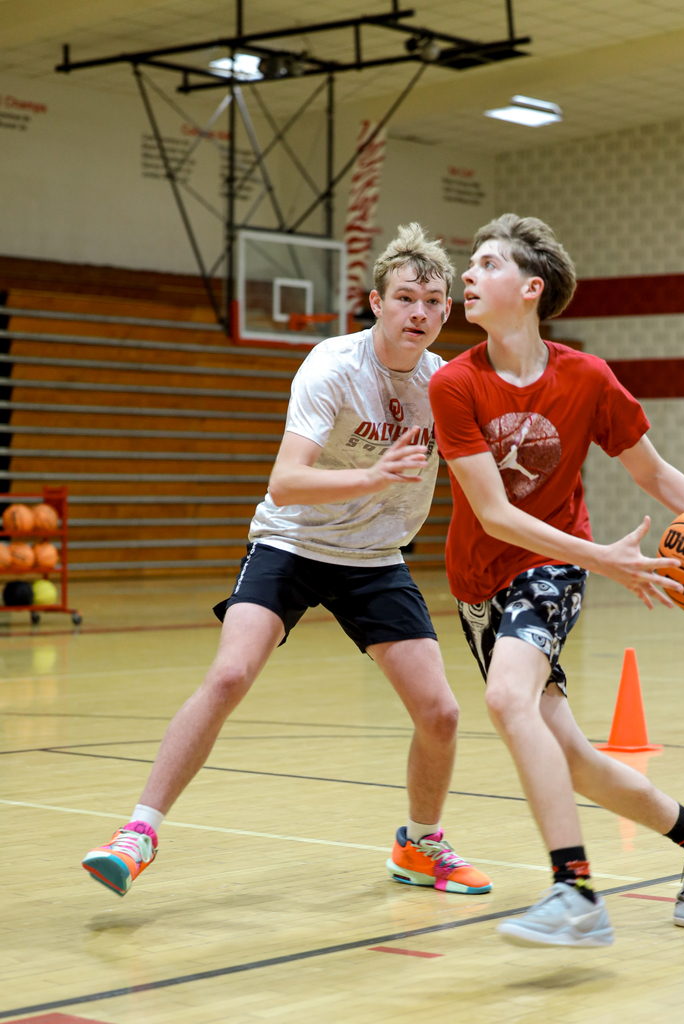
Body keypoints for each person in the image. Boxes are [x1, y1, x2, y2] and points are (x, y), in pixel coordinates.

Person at [82, 224, 491, 899]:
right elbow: (285, 482)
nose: (418, 313)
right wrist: (373, 476)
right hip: (292, 543)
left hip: (374, 557)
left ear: (446, 310)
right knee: (229, 674)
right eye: (404, 298)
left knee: (441, 713)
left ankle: (420, 845)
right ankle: (137, 835)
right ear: (376, 302)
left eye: (431, 302)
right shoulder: (333, 365)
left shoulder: (445, 384)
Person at [428, 213, 684, 948]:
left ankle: (574, 893)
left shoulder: (586, 377)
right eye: (470, 264)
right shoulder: (455, 384)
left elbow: (654, 473)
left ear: (530, 288)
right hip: (479, 583)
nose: (467, 275)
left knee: (506, 698)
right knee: (570, 758)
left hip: (551, 568)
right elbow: (493, 512)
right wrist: (605, 557)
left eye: (487, 263)